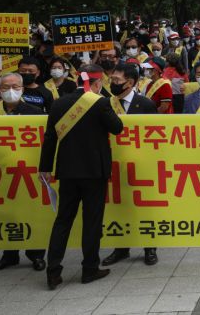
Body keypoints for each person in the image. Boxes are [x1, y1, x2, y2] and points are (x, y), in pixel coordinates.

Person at [39, 65, 124, 289]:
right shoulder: (100, 102)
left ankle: (53, 271)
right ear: (97, 84)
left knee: (63, 221)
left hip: (67, 171)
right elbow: (117, 128)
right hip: (95, 172)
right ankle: (89, 269)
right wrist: (104, 102)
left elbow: (49, 138)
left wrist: (44, 167)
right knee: (92, 221)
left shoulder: (59, 103)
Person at [0, 72, 47, 272]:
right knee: (7, 213)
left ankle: (36, 254)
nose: (11, 91)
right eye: (5, 88)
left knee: (32, 212)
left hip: (27, 171)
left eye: (15, 87)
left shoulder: (36, 112)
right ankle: (9, 255)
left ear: (22, 89)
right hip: (0, 172)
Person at [101, 63, 160, 267]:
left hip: (142, 164)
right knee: (120, 206)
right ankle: (121, 248)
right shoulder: (105, 103)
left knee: (145, 206)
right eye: (112, 80)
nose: (113, 84)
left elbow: (156, 134)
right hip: (115, 163)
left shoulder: (145, 104)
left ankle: (150, 247)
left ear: (131, 82)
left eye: (117, 81)